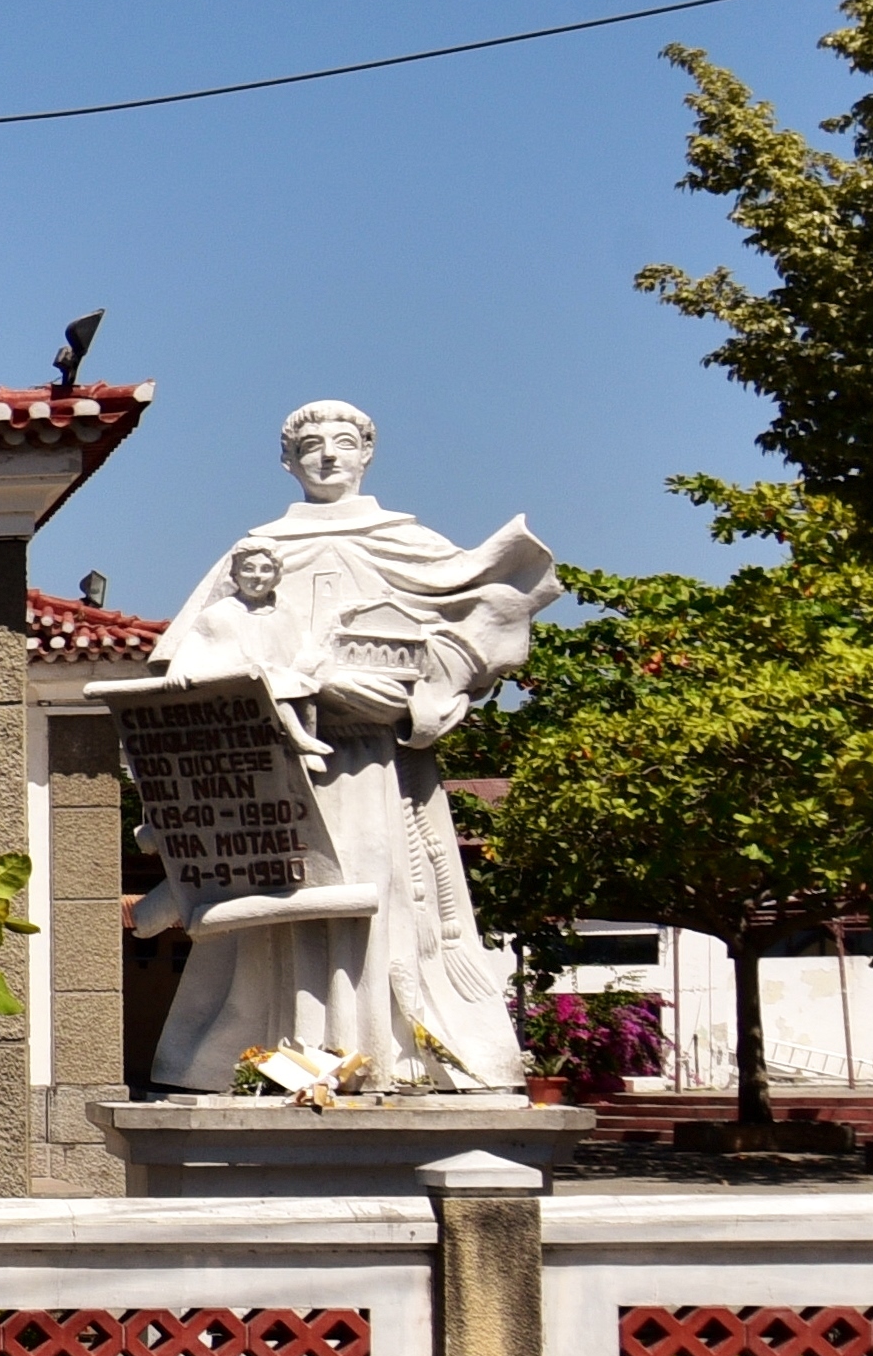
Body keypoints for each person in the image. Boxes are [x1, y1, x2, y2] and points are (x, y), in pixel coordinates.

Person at [138, 401, 558, 1091]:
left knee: (385, 893)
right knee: (279, 905)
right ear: (287, 462)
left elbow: (470, 641)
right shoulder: (254, 550)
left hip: (377, 768)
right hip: (274, 767)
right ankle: (275, 1054)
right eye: (310, 445)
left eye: (342, 443)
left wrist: (418, 701)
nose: (328, 456)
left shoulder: (412, 545)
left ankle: (393, 1053)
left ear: (367, 454)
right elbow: (185, 664)